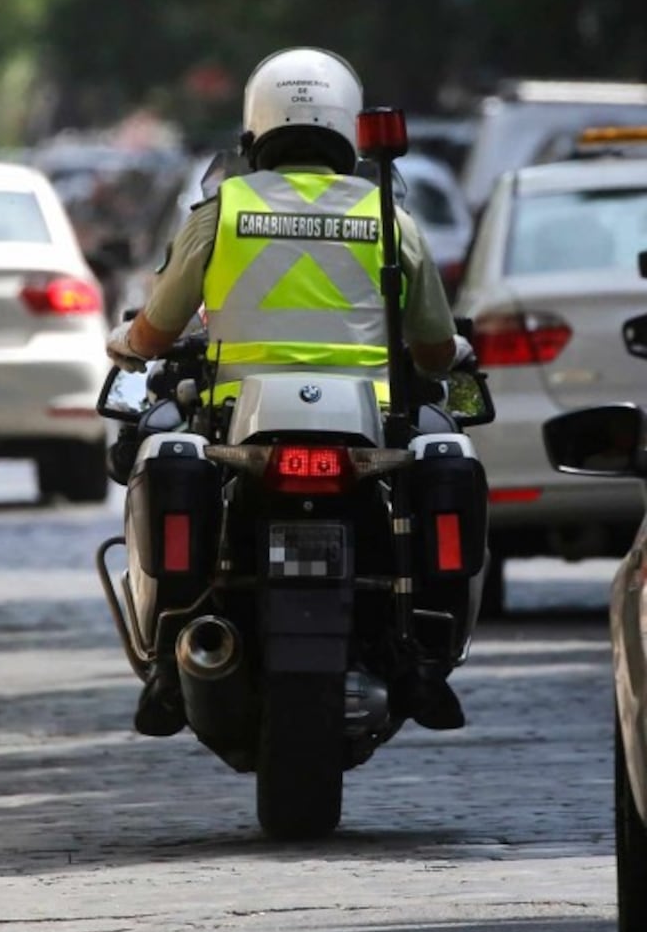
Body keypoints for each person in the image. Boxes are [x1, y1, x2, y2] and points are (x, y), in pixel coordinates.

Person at [105, 46, 474, 738]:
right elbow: (431, 345)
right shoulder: (388, 216)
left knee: (164, 459)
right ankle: (420, 656)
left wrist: (126, 345)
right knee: (439, 469)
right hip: (368, 430)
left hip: (240, 428)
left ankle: (165, 662)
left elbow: (156, 329)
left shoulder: (226, 209)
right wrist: (454, 353)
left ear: (255, 132)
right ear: (348, 129)